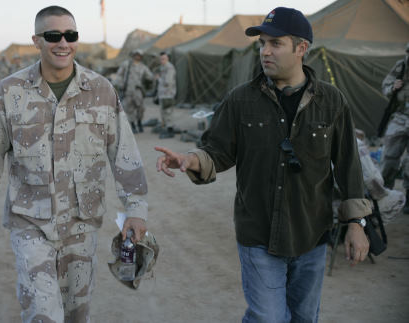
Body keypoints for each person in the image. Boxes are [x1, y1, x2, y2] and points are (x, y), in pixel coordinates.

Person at [156, 7, 371, 323]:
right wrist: (192, 160)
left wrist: (356, 224)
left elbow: (348, 163)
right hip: (258, 233)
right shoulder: (240, 100)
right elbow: (216, 151)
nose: (265, 52)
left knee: (304, 317)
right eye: (262, 44)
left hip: (311, 234)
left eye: (275, 44)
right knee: (267, 318)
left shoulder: (331, 101)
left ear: (301, 49)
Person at [0, 6, 148, 323]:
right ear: (36, 40)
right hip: (30, 223)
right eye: (53, 36)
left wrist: (135, 208)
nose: (63, 43)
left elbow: (124, 152)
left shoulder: (101, 91)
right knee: (43, 312)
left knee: (77, 312)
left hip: (82, 224)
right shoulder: (9, 93)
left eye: (71, 35)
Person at [380, 43, 409, 213]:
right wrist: (393, 87)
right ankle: (385, 194)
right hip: (400, 116)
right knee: (389, 156)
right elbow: (386, 86)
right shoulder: (401, 66)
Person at [114, 49, 154, 134]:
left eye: (139, 55)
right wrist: (120, 84)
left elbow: (150, 77)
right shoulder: (126, 64)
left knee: (141, 108)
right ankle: (132, 125)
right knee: (129, 109)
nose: (137, 56)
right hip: (128, 90)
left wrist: (149, 79)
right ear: (133, 55)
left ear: (141, 57)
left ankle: (139, 122)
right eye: (136, 55)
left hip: (138, 90)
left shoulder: (143, 67)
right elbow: (119, 75)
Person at [155, 51, 177, 139]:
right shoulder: (163, 67)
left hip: (168, 94)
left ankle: (170, 131)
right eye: (161, 59)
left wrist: (158, 79)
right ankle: (167, 129)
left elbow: (168, 82)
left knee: (168, 113)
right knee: (164, 113)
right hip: (163, 95)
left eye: (163, 59)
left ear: (167, 58)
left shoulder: (169, 68)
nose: (162, 60)